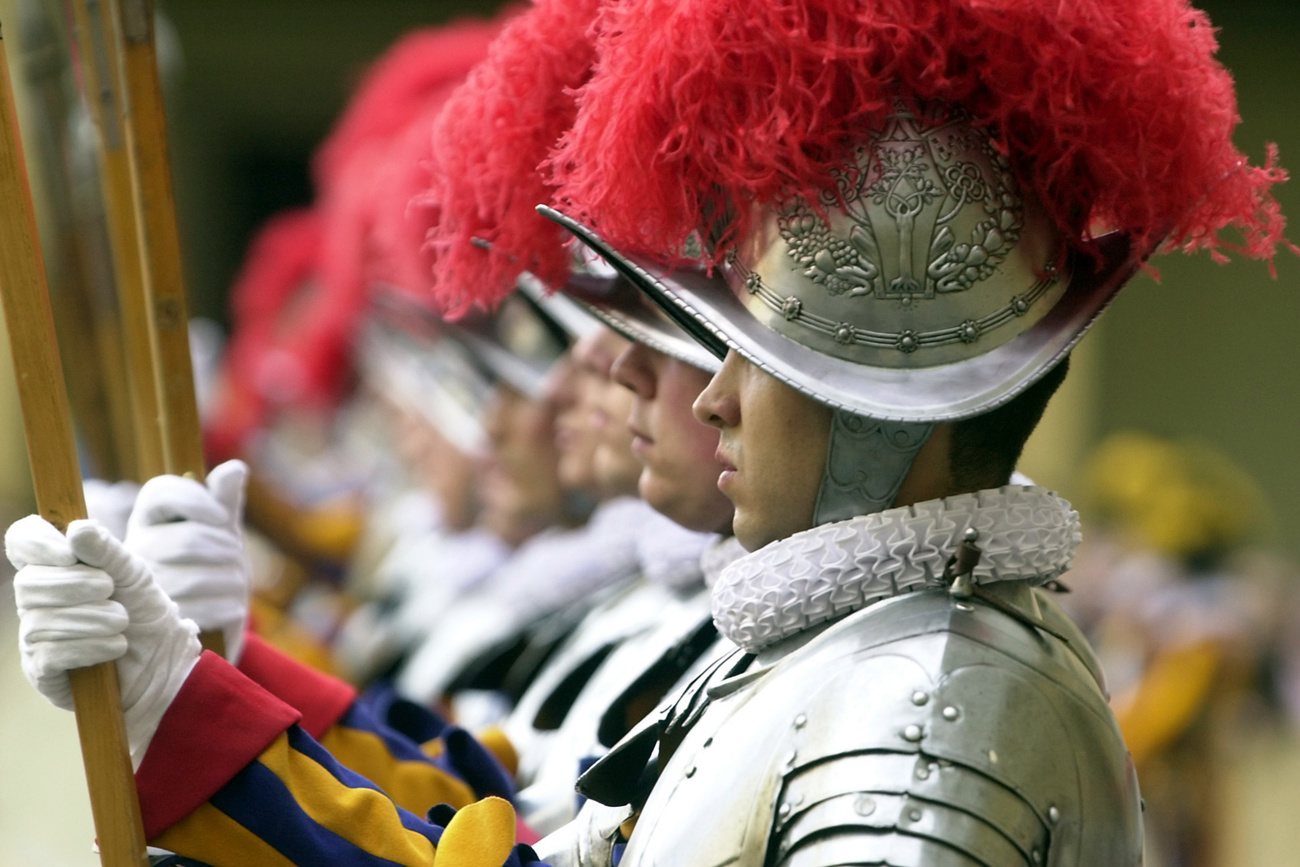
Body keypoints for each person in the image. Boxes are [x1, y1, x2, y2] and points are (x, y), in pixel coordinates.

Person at [525, 0, 1291, 864]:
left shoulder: (926, 716)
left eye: (759, 358)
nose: (714, 399)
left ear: (880, 410)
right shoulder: (835, 641)